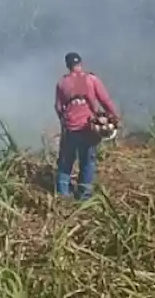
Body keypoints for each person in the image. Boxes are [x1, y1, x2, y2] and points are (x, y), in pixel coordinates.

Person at [53, 52, 120, 200]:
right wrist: (114, 117)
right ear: (80, 64)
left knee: (66, 161)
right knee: (87, 161)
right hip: (88, 128)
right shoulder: (92, 79)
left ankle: (62, 194)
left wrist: (64, 123)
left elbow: (58, 108)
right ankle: (84, 194)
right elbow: (105, 100)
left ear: (67, 65)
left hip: (70, 128)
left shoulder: (62, 83)